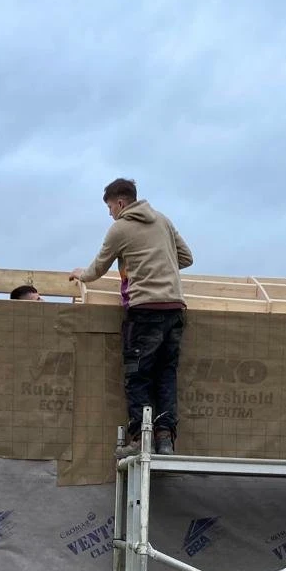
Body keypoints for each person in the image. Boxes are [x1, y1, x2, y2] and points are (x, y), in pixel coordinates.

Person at [69, 178, 193, 454]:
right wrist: (158, 262)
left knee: (138, 375)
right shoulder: (162, 220)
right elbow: (186, 258)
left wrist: (81, 274)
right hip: (174, 308)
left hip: (145, 310)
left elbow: (98, 268)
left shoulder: (120, 228)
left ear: (121, 202)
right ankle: (164, 441)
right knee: (166, 375)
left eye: (110, 206)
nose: (110, 212)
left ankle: (139, 441)